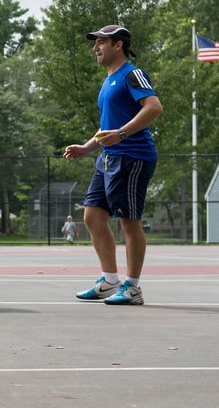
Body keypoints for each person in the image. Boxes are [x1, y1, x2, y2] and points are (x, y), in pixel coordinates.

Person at [62, 24, 162, 305]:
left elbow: (154, 107)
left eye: (101, 43)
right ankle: (109, 280)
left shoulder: (133, 74)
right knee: (92, 216)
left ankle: (133, 288)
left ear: (118, 45)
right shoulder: (108, 81)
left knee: (129, 222)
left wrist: (120, 135)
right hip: (107, 159)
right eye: (95, 43)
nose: (95, 48)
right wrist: (87, 147)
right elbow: (108, 127)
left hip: (133, 156)